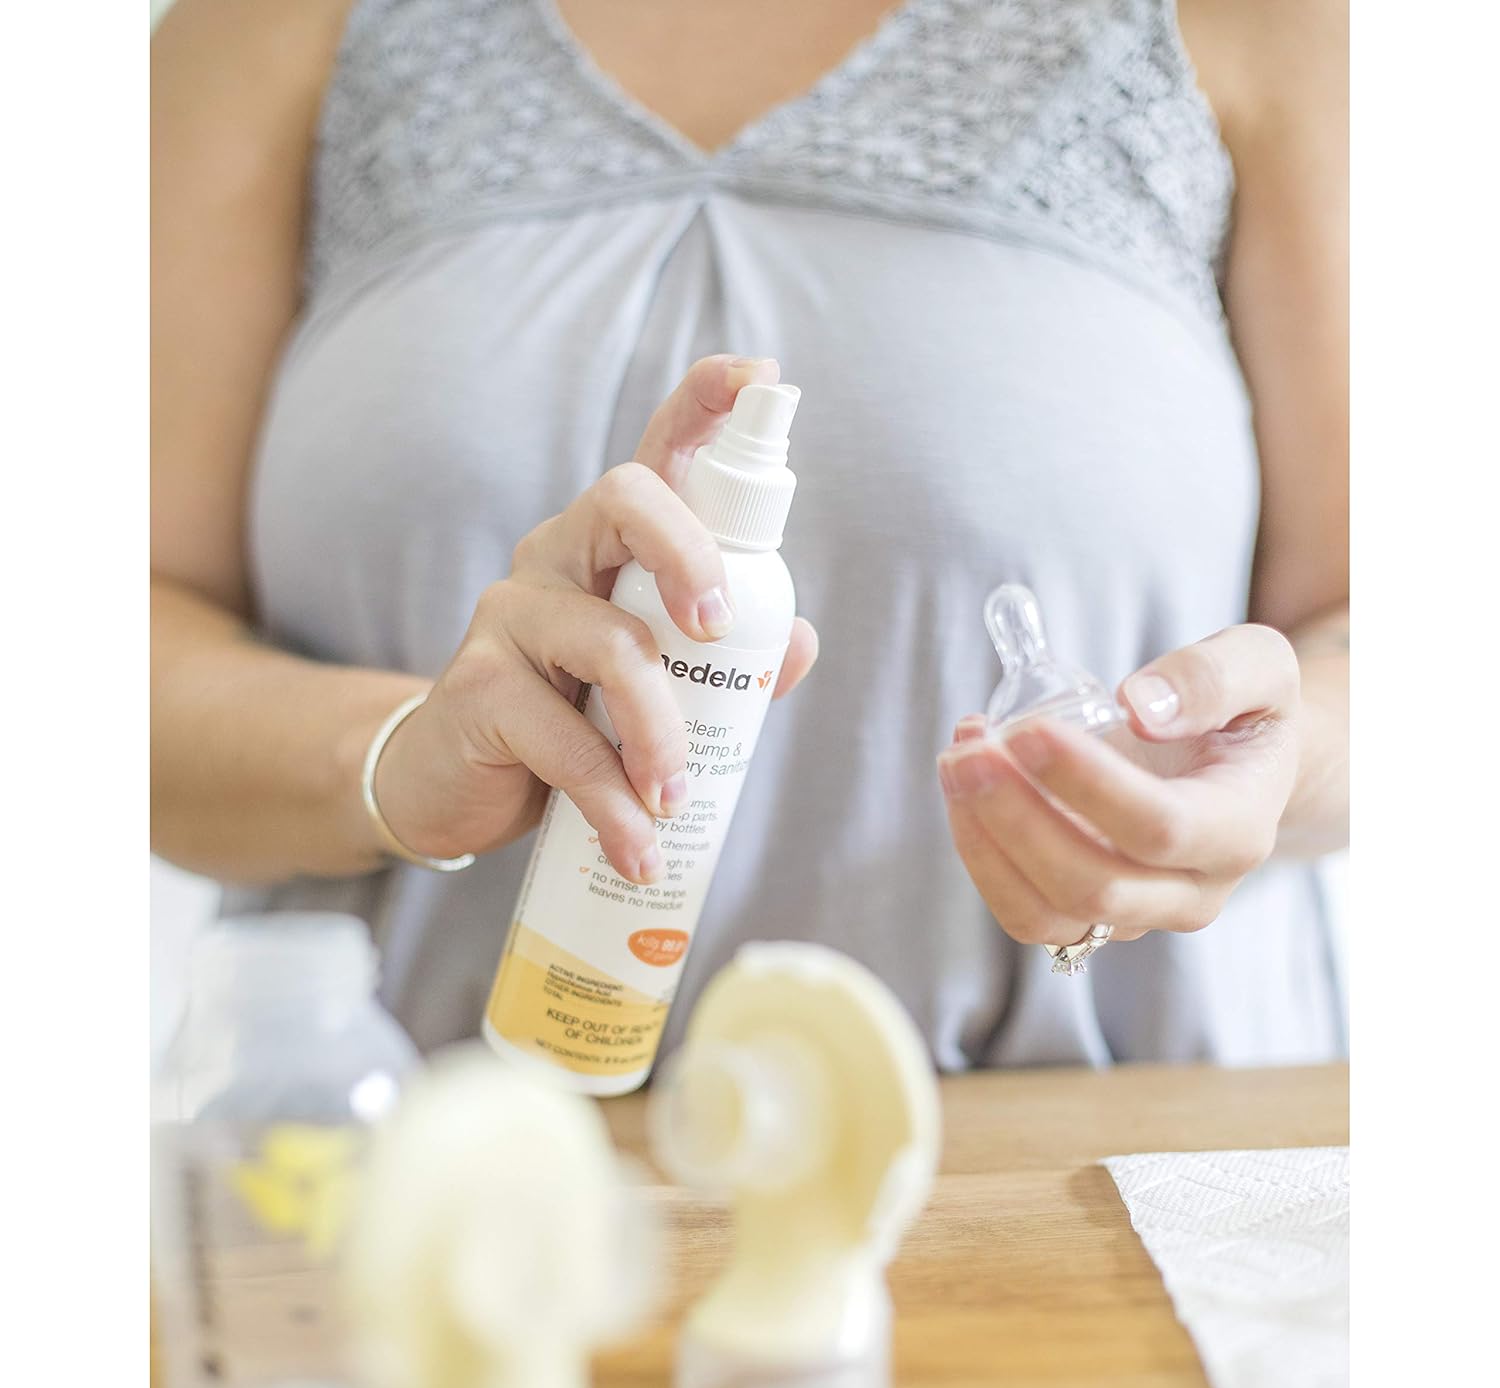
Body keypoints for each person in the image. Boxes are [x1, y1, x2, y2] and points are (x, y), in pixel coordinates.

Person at [152, 0, 1349, 1063]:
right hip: (407, 1168)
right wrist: (392, 756)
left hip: (1088, 1158)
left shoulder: (1261, 25)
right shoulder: (266, 27)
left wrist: (1275, 767)